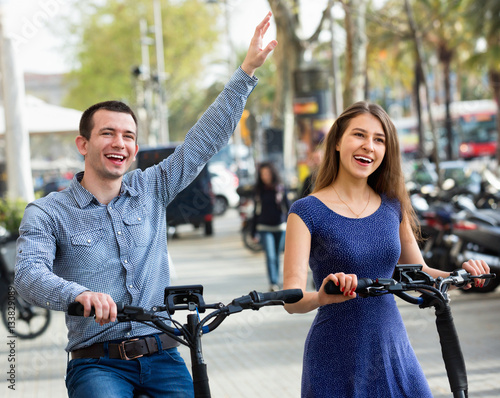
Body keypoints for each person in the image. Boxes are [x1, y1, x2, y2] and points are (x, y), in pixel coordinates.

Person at [14, 13, 277, 398]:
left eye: (128, 136)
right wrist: (78, 295)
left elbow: (203, 140)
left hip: (164, 353)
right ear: (83, 145)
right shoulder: (48, 212)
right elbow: (28, 274)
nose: (119, 142)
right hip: (97, 362)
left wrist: (247, 71)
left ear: (135, 150)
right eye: (107, 133)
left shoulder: (152, 186)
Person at [282, 101, 490, 398]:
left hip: (394, 351)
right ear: (338, 142)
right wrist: (321, 297)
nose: (369, 146)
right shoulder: (306, 211)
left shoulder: (393, 206)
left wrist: (462, 276)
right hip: (335, 358)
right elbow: (290, 299)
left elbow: (421, 277)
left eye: (379, 140)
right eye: (359, 135)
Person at [251, 162, 290, 291]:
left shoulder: (280, 188)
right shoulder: (258, 190)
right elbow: (255, 212)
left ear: (272, 173)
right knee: (270, 255)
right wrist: (253, 232)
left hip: (280, 227)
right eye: (262, 174)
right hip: (264, 227)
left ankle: (277, 280)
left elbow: (288, 207)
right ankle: (273, 282)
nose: (265, 176)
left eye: (267, 173)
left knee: (277, 255)